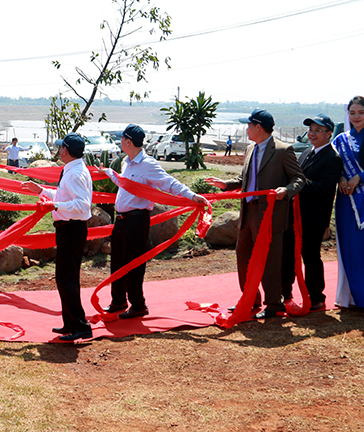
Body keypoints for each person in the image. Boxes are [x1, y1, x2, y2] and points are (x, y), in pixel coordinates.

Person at [102, 124, 210, 319]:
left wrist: (192, 195)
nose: (120, 142)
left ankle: (138, 304)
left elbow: (168, 183)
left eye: (122, 139)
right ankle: (118, 300)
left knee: (133, 263)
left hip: (136, 220)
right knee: (117, 260)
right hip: (121, 220)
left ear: (128, 141)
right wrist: (109, 173)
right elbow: (125, 184)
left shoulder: (148, 164)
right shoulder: (126, 163)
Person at [207, 109, 305, 319]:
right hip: (248, 211)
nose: (247, 129)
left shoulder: (283, 150)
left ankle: (273, 304)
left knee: (270, 260)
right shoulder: (251, 148)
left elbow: (299, 179)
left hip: (269, 215)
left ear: (258, 127)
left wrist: (285, 191)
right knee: (243, 256)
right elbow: (246, 180)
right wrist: (226, 184)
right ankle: (250, 299)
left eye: (249, 125)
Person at [23, 133, 92, 342]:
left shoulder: (75, 173)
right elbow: (64, 197)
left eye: (61, 147)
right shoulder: (72, 170)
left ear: (66, 150)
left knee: (67, 278)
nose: (59, 150)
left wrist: (54, 205)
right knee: (64, 278)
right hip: (67, 229)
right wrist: (43, 191)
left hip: (72, 229)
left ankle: (81, 326)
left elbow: (82, 205)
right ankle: (70, 323)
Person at [281, 114, 342, 310]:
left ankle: (316, 296)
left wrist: (298, 184)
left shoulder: (333, 158)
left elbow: (325, 188)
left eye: (318, 130)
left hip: (314, 216)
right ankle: (286, 293)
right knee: (288, 253)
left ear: (329, 134)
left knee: (310, 255)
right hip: (294, 213)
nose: (312, 134)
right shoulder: (307, 152)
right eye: (311, 130)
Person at [332, 96, 364, 308]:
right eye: (352, 113)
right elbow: (331, 165)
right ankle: (347, 296)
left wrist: (360, 177)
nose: (356, 117)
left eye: (360, 112)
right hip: (345, 199)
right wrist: (341, 177)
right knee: (348, 246)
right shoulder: (339, 139)